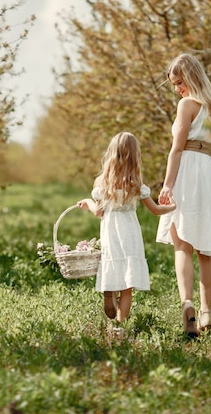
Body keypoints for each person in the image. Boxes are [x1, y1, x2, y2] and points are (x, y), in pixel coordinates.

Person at [156, 53, 211, 338]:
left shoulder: (187, 105)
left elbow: (177, 148)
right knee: (205, 248)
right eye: (173, 84)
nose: (177, 89)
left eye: (179, 82)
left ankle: (188, 304)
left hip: (188, 170)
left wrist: (168, 184)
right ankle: (206, 311)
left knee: (181, 243)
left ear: (190, 77)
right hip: (208, 170)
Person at [78, 132, 176, 323]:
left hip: (110, 234)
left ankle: (109, 291)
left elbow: (98, 212)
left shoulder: (102, 184)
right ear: (135, 156)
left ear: (111, 154)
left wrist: (87, 203)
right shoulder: (136, 185)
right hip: (130, 234)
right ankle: (120, 327)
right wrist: (174, 206)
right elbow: (155, 210)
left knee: (112, 266)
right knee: (127, 285)